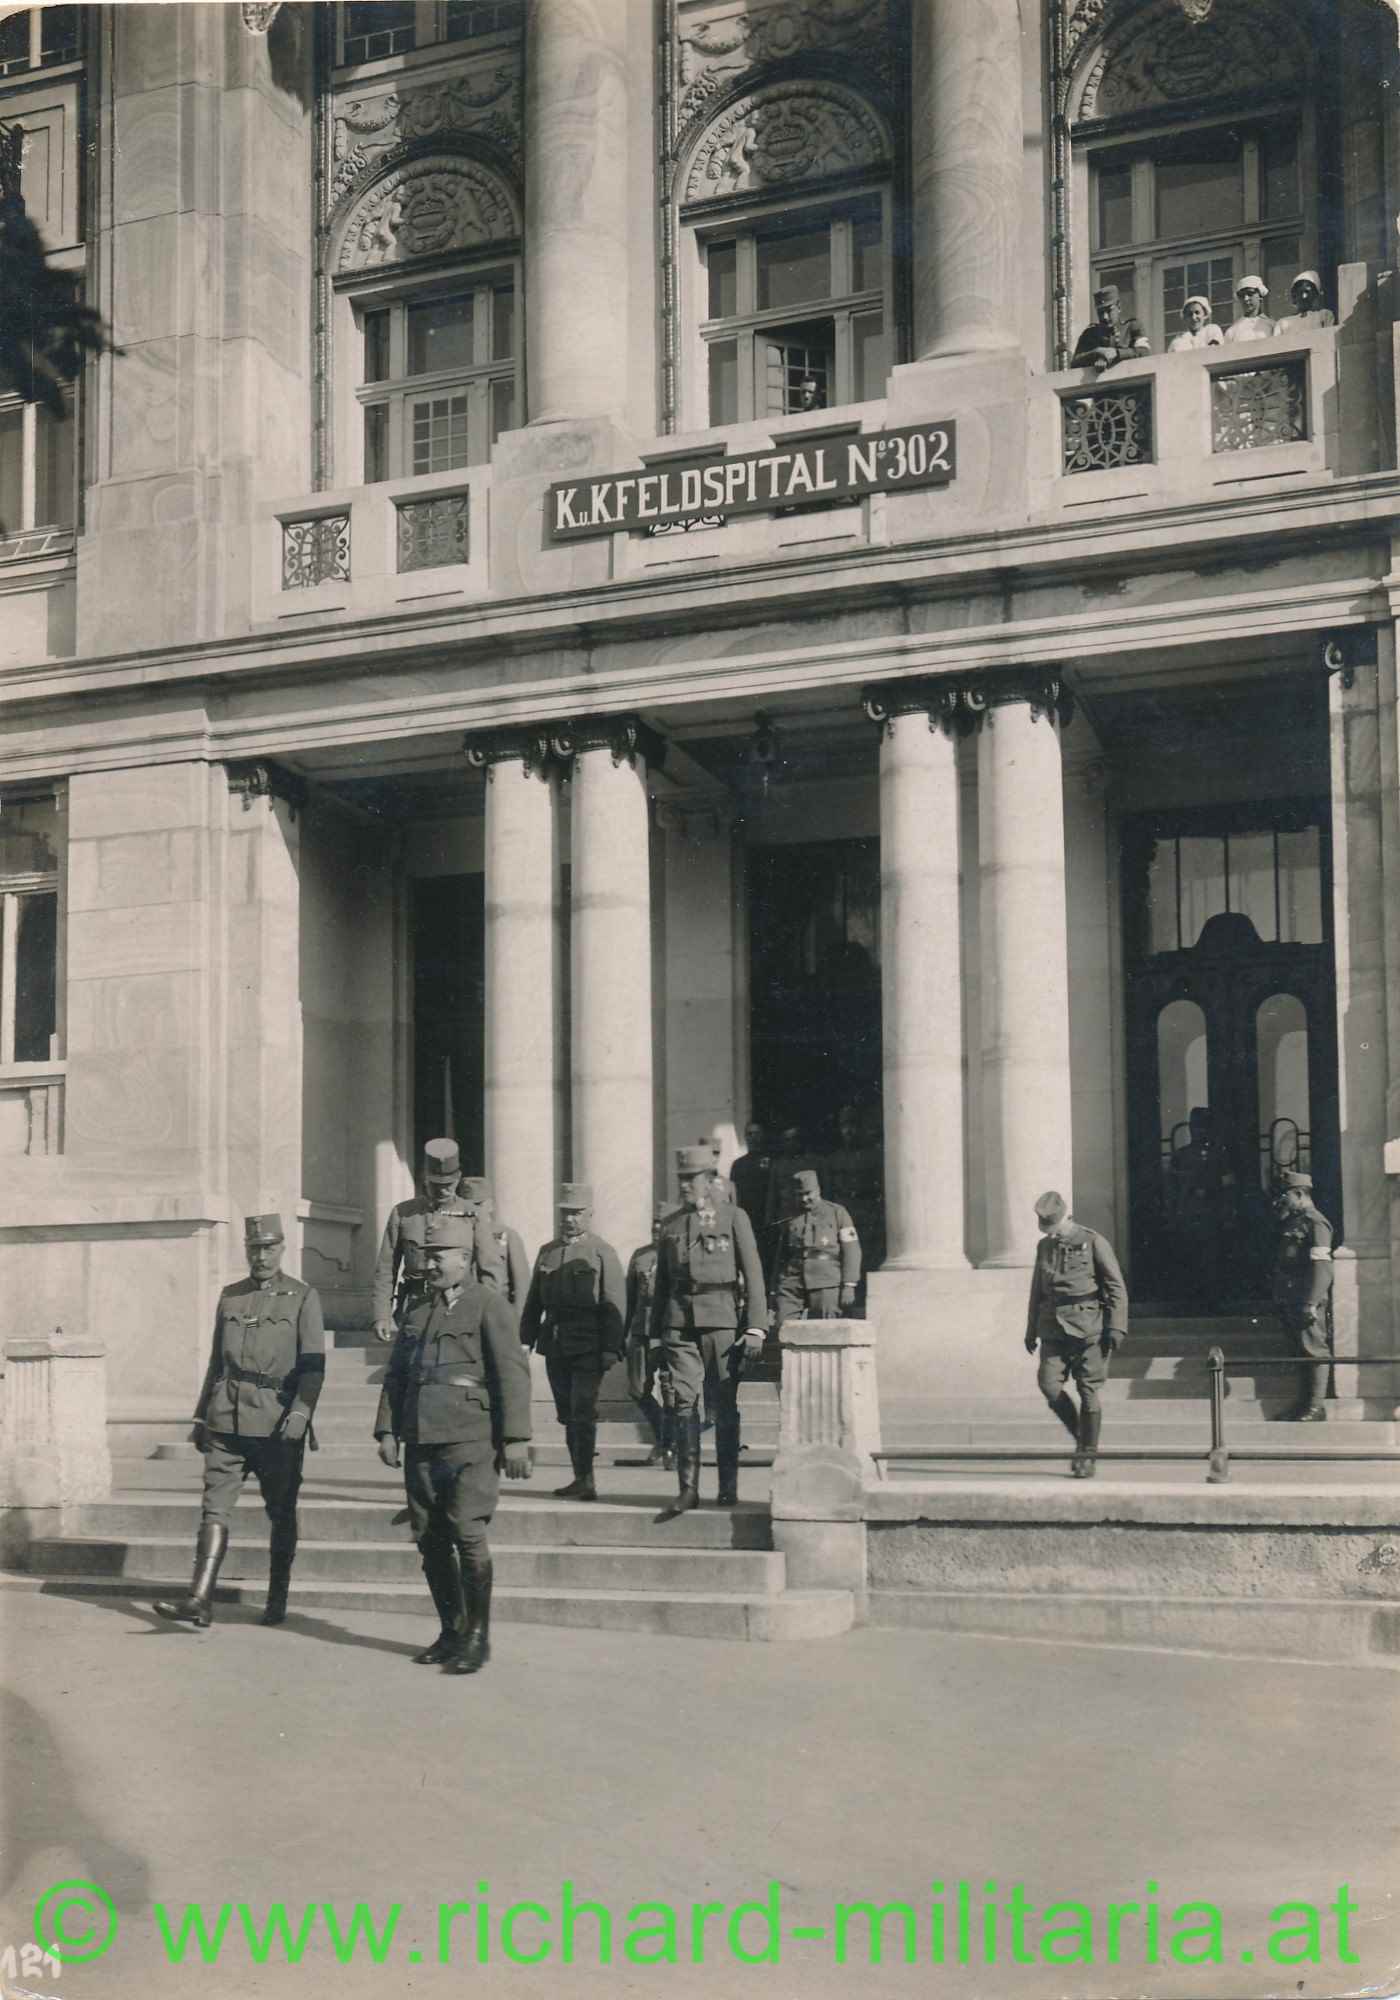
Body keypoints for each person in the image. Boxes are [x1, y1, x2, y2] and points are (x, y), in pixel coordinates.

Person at [374, 1213, 532, 1673]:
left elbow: (512, 1375)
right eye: (426, 1256)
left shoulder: (490, 1306)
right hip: (421, 1436)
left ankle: (477, 1638)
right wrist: (387, 1430)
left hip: (471, 1438)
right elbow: (397, 1376)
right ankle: (452, 1630)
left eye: (439, 1256)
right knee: (430, 1538)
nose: (429, 1264)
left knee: (467, 1531)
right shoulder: (417, 1311)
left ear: (464, 1258)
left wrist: (516, 1439)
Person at [155, 1213, 325, 1630]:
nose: (261, 1256)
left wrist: (301, 1412)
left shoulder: (302, 1297)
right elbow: (217, 1362)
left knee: (281, 1512)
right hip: (225, 1420)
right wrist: (201, 1415)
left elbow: (313, 1366)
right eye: (254, 1249)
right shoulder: (230, 1297)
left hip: (275, 1424)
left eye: (268, 1248)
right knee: (213, 1509)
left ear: (281, 1248)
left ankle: (277, 1597)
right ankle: (199, 1599)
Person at [651, 1144, 767, 1516]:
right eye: (681, 1178)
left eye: (692, 1178)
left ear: (710, 1179)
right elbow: (662, 1283)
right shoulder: (671, 1224)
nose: (685, 1185)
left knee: (723, 1404)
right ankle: (688, 1489)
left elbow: (754, 1274)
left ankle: (727, 1486)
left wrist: (756, 1327)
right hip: (678, 1323)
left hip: (721, 1320)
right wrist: (654, 1334)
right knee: (683, 1403)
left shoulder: (734, 1217)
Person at [519, 1184, 626, 1502]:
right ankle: (579, 1477)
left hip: (589, 1343)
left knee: (582, 1409)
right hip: (555, 1343)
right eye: (565, 1213)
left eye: (577, 1213)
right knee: (566, 1413)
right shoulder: (547, 1251)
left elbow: (614, 1304)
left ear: (590, 1214)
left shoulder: (602, 1252)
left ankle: (587, 1479)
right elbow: (533, 1302)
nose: (570, 1219)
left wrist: (611, 1347)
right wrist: (525, 1340)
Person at [1023, 1191, 1129, 1479]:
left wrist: (1117, 1326)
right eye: (1046, 1228)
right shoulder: (1044, 1246)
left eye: (1052, 1227)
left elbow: (1116, 1286)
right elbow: (1036, 1291)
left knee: (1088, 1391)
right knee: (1049, 1385)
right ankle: (1084, 1441)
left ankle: (1087, 1455)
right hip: (1052, 1327)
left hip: (1087, 1327)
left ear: (1065, 1218)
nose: (1049, 1233)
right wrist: (1031, 1330)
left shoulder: (1093, 1241)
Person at [371, 1138, 501, 1345]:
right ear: (425, 1178)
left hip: (460, 1307)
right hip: (414, 1307)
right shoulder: (403, 1213)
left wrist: (488, 1315)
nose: (442, 1190)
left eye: (448, 1185)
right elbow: (386, 1268)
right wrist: (381, 1314)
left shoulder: (473, 1215)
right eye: (435, 1185)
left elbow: (490, 1271)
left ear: (458, 1178)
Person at [1270, 1169, 1334, 1422]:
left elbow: (1322, 1267)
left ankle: (1316, 1407)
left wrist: (1312, 1301)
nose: (1282, 1200)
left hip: (1306, 1298)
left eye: (1285, 1195)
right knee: (1299, 1351)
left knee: (1314, 1350)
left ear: (1299, 1194)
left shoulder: (1316, 1222)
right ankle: (1303, 1404)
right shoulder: (1293, 1221)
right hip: (1291, 1296)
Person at [771, 1169, 861, 1328]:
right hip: (792, 1281)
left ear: (818, 1190)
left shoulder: (837, 1212)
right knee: (783, 1326)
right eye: (799, 1194)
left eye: (808, 1193)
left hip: (825, 1280)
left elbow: (851, 1249)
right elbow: (781, 1254)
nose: (804, 1199)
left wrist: (849, 1284)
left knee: (825, 1329)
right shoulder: (789, 1215)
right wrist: (774, 1288)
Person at [1166, 1106, 1238, 1305]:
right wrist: (1174, 1213)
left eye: (1203, 1126)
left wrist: (1227, 1212)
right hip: (1187, 1215)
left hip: (1212, 1215)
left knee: (1211, 1259)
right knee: (1188, 1258)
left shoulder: (1220, 1155)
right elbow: (1172, 1188)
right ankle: (1188, 1302)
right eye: (1195, 1126)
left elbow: (1228, 1186)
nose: (1198, 1131)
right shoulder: (1180, 1155)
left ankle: (1211, 1301)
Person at [625, 1202, 673, 1468]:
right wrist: (622, 1334)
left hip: (668, 1330)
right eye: (654, 1224)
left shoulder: (679, 1255)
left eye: (662, 1225)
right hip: (641, 1329)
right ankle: (664, 1436)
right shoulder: (640, 1255)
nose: (656, 1229)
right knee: (636, 1388)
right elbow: (629, 1297)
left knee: (670, 1389)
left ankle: (670, 1446)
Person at [460, 1176, 530, 1308]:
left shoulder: (507, 1235)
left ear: (491, 1205)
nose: (472, 1211)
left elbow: (522, 1285)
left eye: (478, 1205)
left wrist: (516, 1316)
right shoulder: (458, 1235)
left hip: (497, 1309)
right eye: (467, 1206)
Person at [1071, 284, 1151, 371]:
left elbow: (1144, 352)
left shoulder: (1132, 326)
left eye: (1109, 310)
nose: (1104, 317)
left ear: (1119, 307)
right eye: (1100, 312)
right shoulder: (1090, 334)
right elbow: (1075, 362)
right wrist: (1097, 353)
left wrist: (1117, 353)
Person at [730, 1121, 773, 1237]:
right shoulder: (738, 1164)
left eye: (757, 1133)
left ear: (763, 1136)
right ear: (745, 1137)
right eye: (749, 1134)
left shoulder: (772, 1162)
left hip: (767, 1217)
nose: (753, 1138)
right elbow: (734, 1194)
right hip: (746, 1217)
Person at [1223, 276, 1274, 342]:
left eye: (1250, 294)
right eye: (1242, 295)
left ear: (1260, 295)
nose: (1246, 299)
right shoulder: (1232, 331)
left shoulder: (1272, 326)